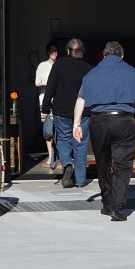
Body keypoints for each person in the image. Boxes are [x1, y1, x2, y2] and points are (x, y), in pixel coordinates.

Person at [73, 41, 135, 222]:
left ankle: (107, 204)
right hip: (123, 122)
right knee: (122, 165)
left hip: (98, 122)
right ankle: (117, 207)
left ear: (104, 56)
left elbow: (80, 100)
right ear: (122, 56)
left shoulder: (91, 74)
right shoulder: (132, 72)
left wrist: (76, 125)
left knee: (102, 164)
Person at [41, 38, 91, 188]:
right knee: (80, 143)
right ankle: (80, 180)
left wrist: (45, 107)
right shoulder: (87, 67)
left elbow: (51, 86)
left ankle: (67, 164)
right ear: (82, 52)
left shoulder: (59, 65)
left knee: (63, 140)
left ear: (68, 50)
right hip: (83, 113)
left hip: (61, 111)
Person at [35, 41, 59, 170]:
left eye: (56, 51)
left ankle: (60, 156)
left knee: (59, 127)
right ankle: (50, 156)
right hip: (44, 101)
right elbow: (37, 82)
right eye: (51, 51)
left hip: (58, 101)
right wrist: (49, 84)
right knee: (47, 129)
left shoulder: (59, 65)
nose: (54, 53)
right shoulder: (42, 66)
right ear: (47, 52)